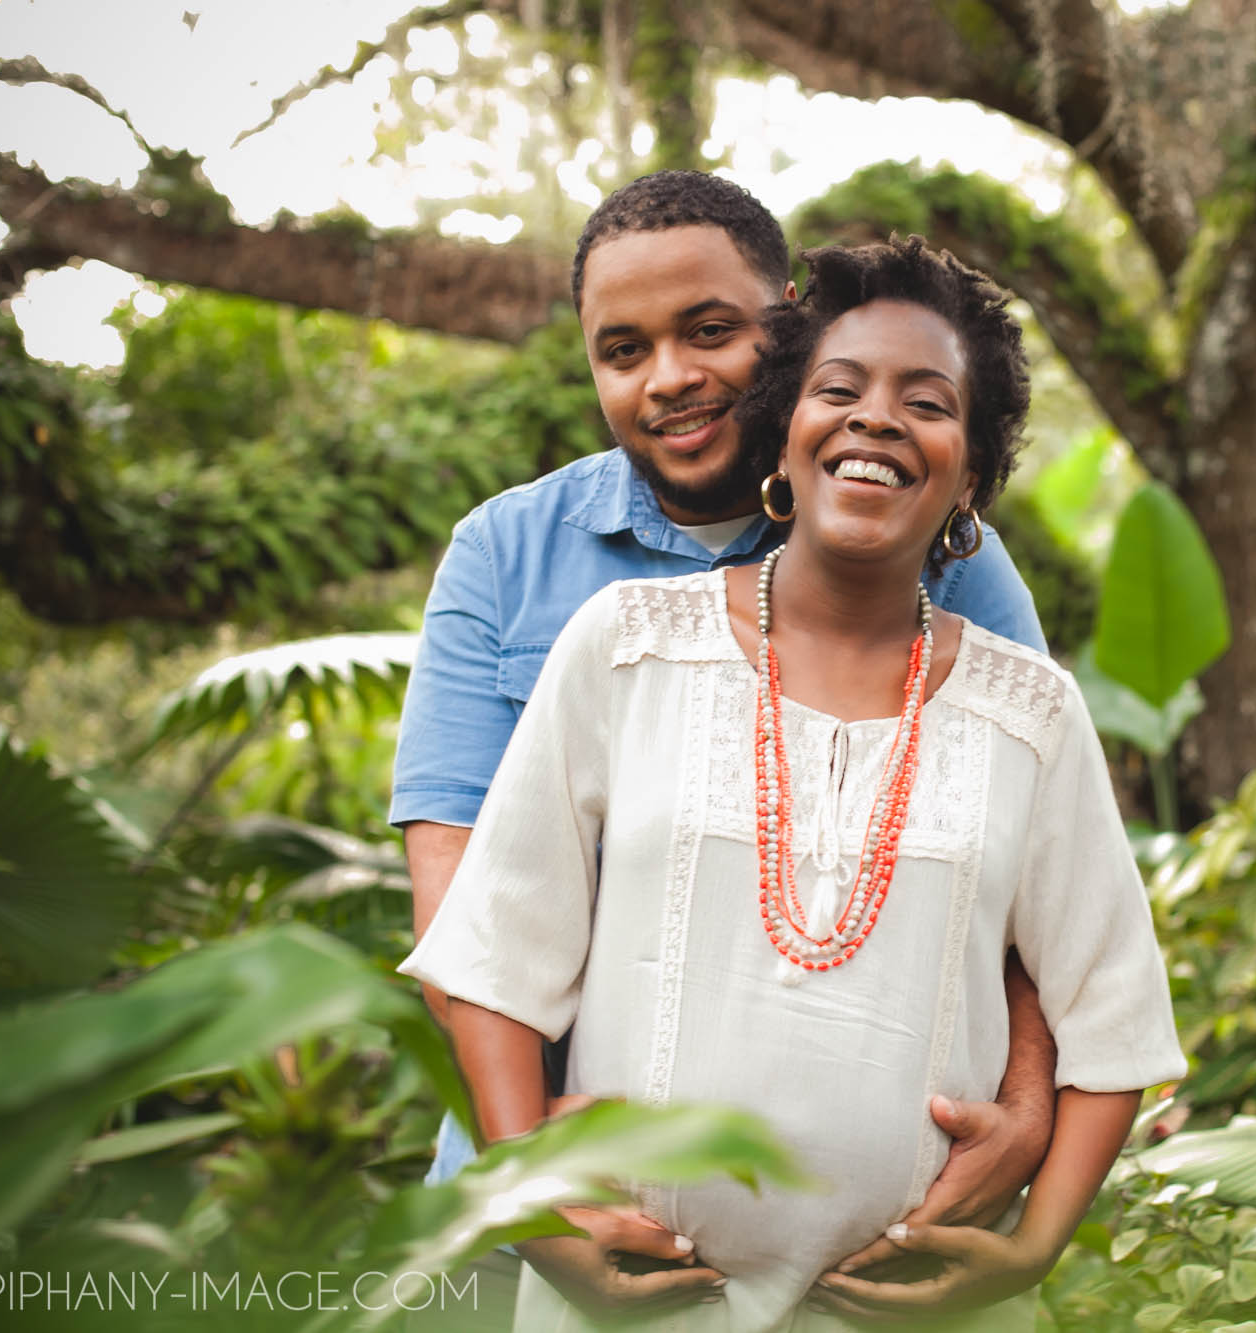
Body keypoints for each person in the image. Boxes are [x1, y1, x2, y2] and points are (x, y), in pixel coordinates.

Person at [401, 237, 1185, 1332]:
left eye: (926, 401)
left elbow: (1108, 1016)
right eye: (837, 389)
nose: (874, 418)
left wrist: (1032, 1246)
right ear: (783, 431)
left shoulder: (1029, 710)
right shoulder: (624, 646)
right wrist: (532, 1198)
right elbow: (490, 952)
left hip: (912, 1312)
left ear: (971, 475)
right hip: (624, 1301)